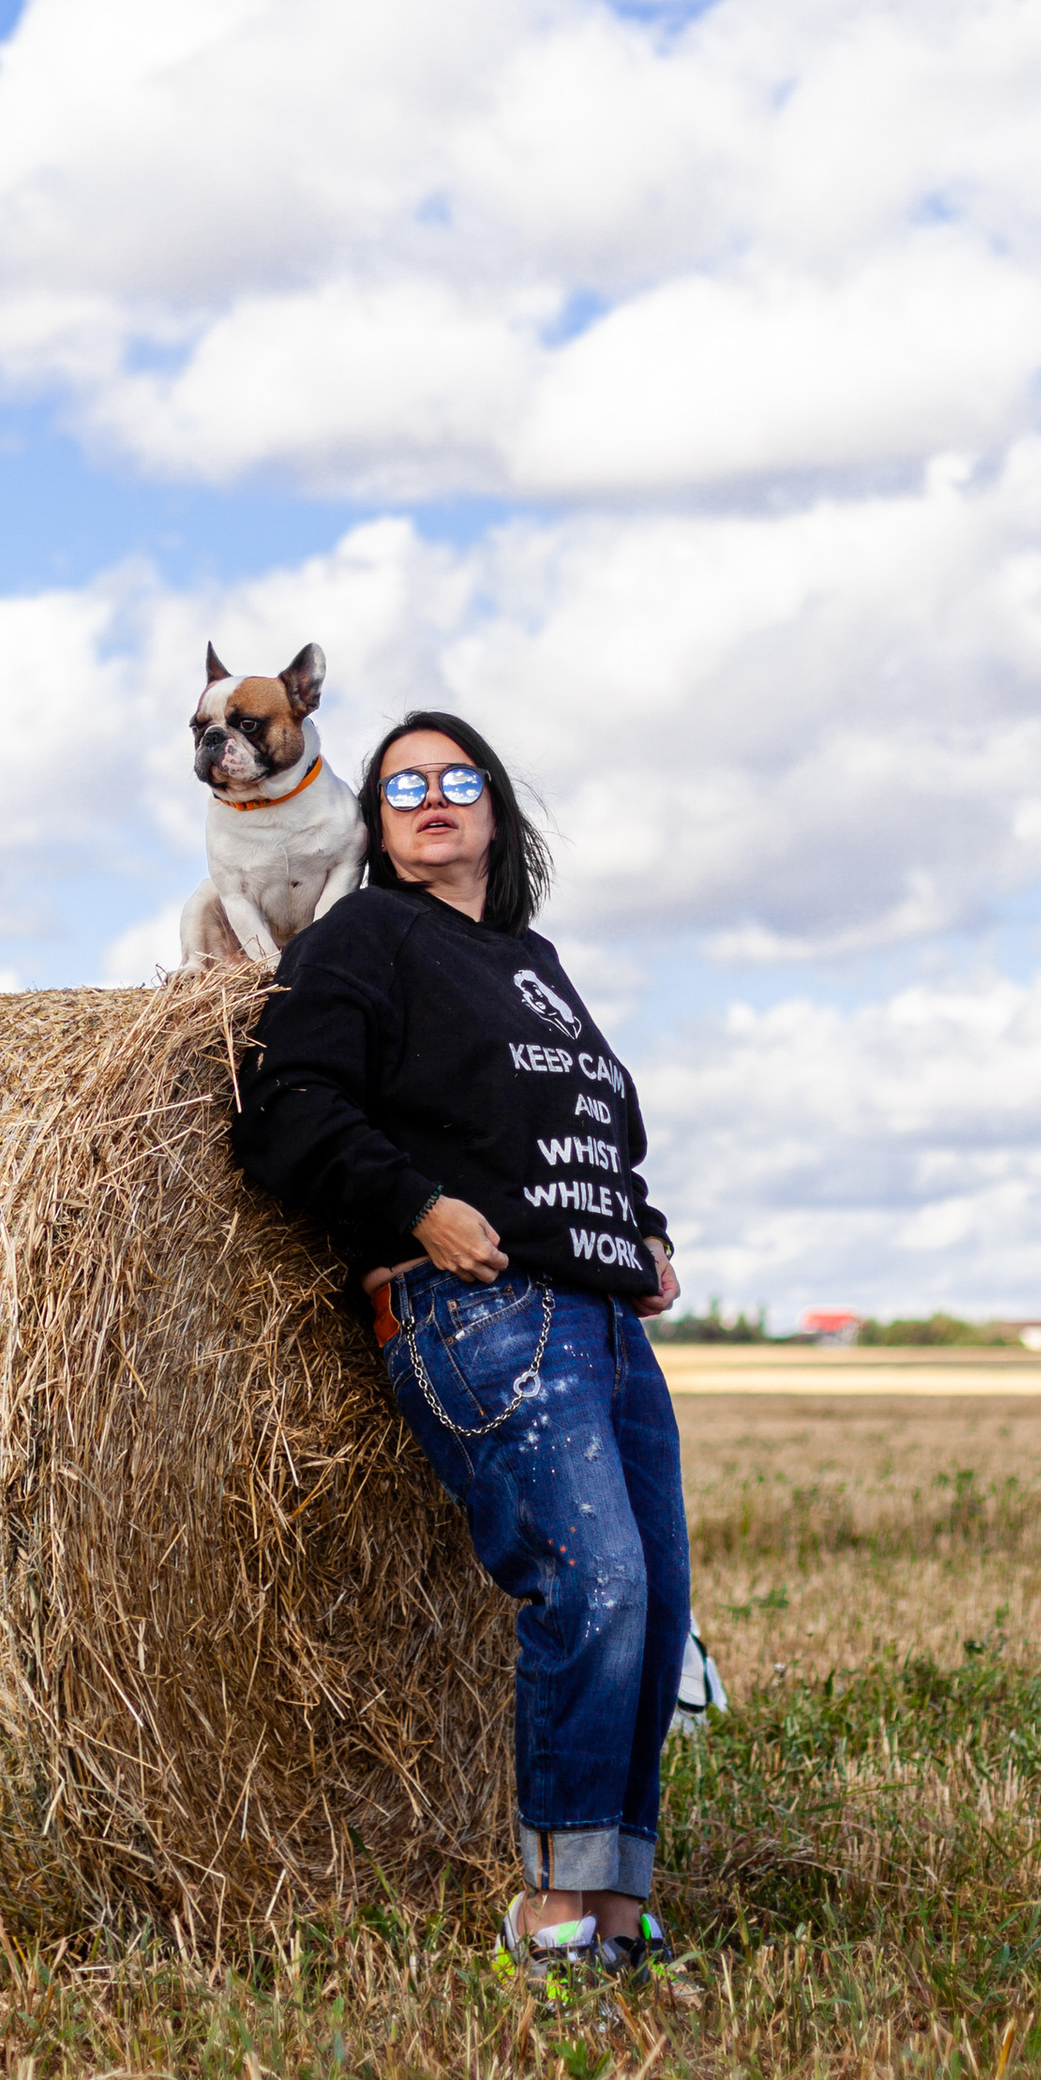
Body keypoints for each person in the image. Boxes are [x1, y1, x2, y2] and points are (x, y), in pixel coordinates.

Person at [230, 710, 694, 1986]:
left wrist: (639, 1232)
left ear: (496, 804)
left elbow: (595, 1126)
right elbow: (283, 1102)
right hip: (486, 1313)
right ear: (375, 829)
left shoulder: (535, 963)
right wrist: (414, 1209)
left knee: (654, 1607)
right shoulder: (365, 937)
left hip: (599, 1318)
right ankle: (552, 1911)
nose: (431, 800)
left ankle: (613, 1907)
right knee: (589, 1586)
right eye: (400, 790)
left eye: (455, 779)